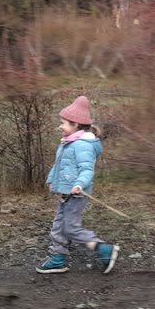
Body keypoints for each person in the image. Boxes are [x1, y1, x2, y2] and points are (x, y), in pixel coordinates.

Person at [36, 96, 120, 274]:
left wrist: (79, 184)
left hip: (77, 193)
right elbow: (58, 165)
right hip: (66, 192)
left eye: (64, 123)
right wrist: (51, 180)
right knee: (58, 225)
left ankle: (104, 249)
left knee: (70, 227)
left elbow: (87, 170)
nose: (60, 126)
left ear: (76, 125)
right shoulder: (69, 142)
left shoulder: (83, 145)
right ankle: (58, 258)